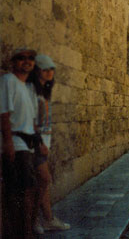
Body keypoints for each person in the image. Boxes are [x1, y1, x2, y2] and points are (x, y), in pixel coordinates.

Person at [29, 54, 70, 234]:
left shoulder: (43, 89)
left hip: (43, 141)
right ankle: (35, 219)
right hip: (33, 143)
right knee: (43, 179)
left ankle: (47, 218)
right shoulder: (31, 90)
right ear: (37, 71)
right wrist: (38, 143)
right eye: (45, 69)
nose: (49, 72)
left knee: (42, 181)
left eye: (51, 69)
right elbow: (29, 119)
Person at [0, 48, 39, 238]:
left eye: (30, 58)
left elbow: (31, 120)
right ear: (13, 61)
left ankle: (26, 230)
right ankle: (22, 233)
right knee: (22, 191)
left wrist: (38, 142)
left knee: (30, 189)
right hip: (16, 143)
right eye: (21, 58)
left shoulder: (28, 87)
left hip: (28, 144)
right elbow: (4, 113)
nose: (27, 61)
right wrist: (8, 143)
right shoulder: (8, 81)